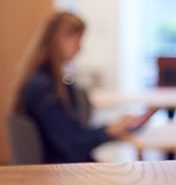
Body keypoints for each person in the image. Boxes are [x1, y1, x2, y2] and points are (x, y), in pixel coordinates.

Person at [12, 12, 143, 163]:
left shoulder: (47, 81)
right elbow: (73, 144)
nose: (80, 49)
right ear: (61, 38)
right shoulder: (42, 88)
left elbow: (72, 134)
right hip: (60, 169)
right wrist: (110, 130)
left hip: (62, 165)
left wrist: (112, 128)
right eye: (78, 40)